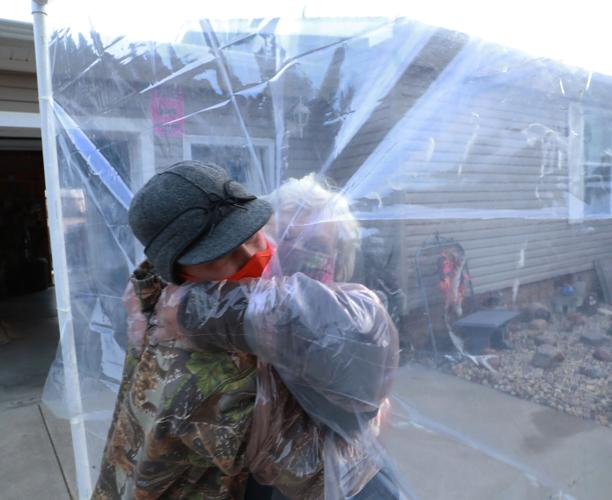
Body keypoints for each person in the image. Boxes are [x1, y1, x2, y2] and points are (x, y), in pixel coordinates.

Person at [92, 161, 399, 499]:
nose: (254, 256)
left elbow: (359, 341)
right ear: (177, 272)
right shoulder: (173, 339)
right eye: (218, 255)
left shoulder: (317, 301)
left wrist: (210, 311)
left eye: (251, 233)